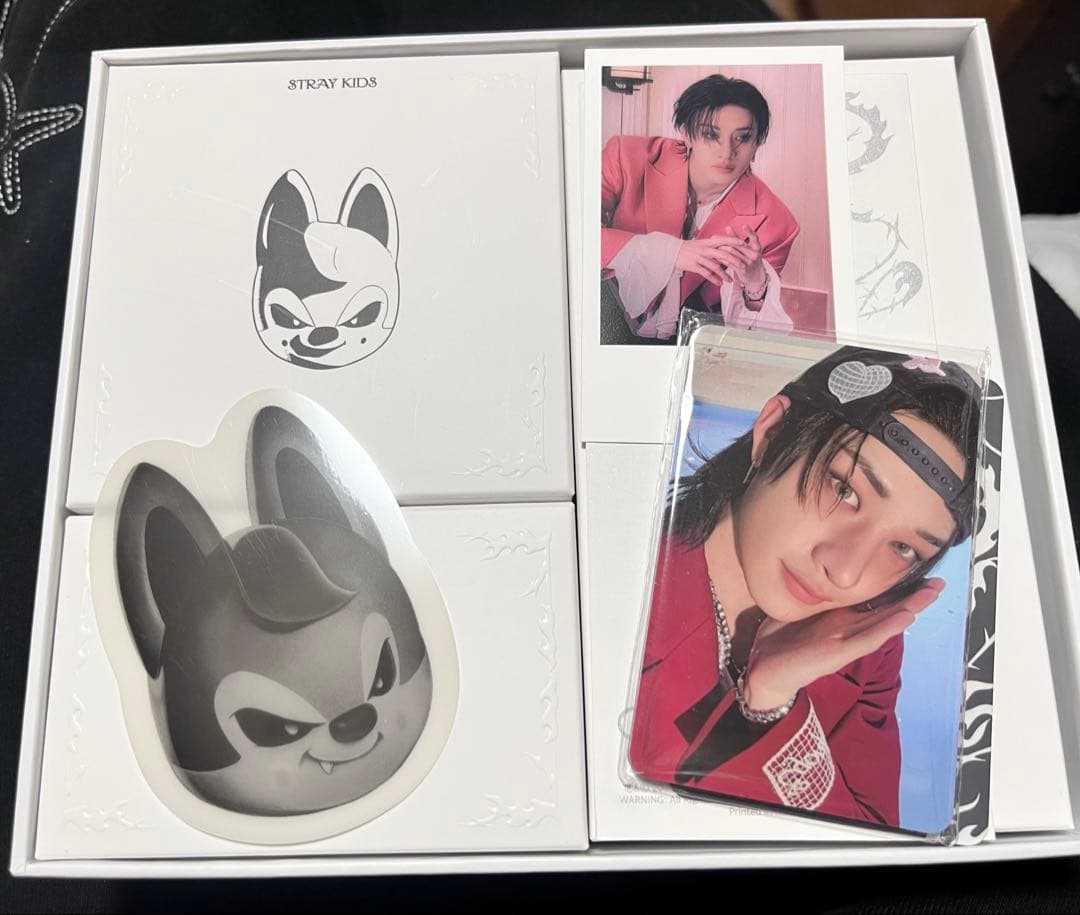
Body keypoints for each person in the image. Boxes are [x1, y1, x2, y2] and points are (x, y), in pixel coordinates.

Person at [627, 347, 982, 827]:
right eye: (845, 489)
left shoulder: (863, 647)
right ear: (772, 433)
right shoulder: (621, 575)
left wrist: (773, 698)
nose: (846, 571)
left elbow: (865, 842)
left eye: (903, 548)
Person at [601, 73, 800, 341]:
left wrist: (756, 284)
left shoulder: (777, 222)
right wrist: (671, 251)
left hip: (690, 340)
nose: (726, 152)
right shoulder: (626, 156)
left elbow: (755, 337)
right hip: (603, 313)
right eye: (710, 134)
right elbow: (575, 232)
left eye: (743, 137)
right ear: (686, 133)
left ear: (757, 144)